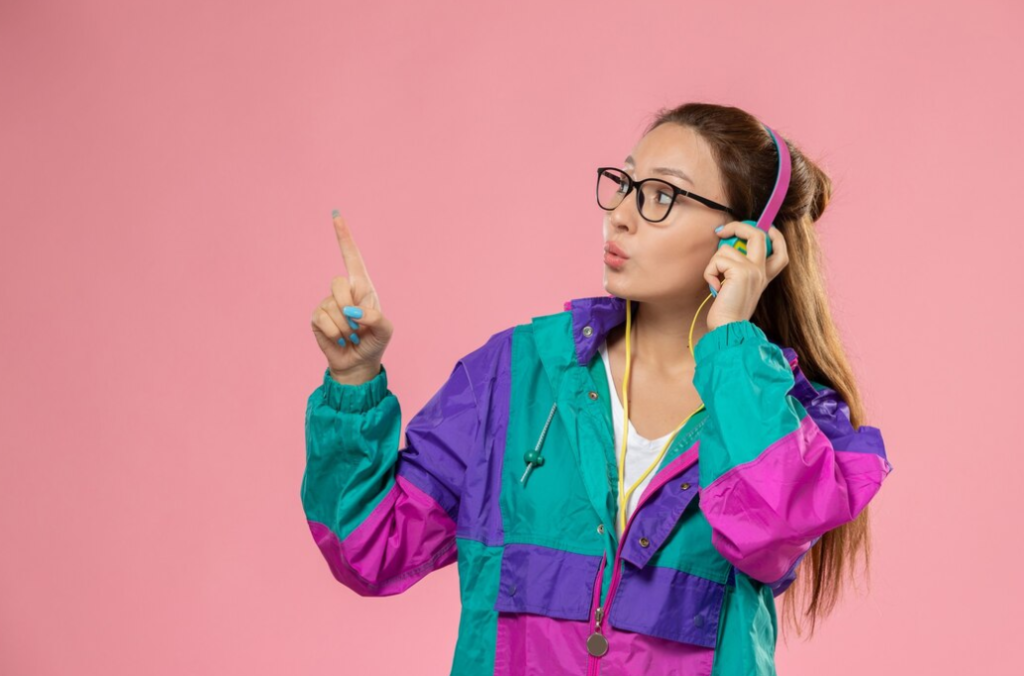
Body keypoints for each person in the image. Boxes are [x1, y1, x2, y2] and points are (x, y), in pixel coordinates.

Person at [303, 101, 893, 676]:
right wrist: (353, 382)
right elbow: (370, 549)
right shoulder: (516, 374)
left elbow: (770, 532)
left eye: (662, 196)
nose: (621, 215)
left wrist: (733, 336)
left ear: (745, 237)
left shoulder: (783, 415)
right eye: (624, 185)